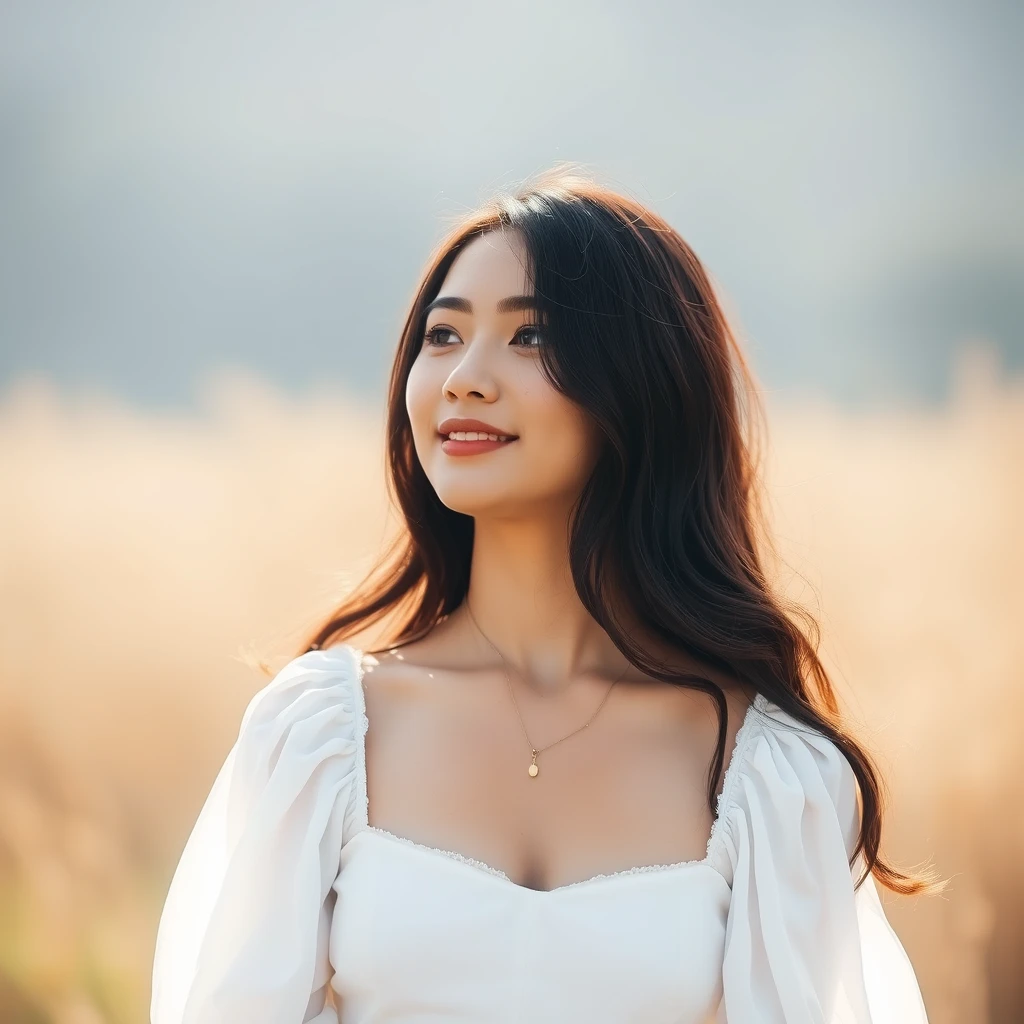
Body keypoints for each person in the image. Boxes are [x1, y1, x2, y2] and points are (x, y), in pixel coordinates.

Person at [150, 167, 943, 1023]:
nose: (464, 378)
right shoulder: (322, 736)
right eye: (443, 336)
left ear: (644, 385)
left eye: (530, 339)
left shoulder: (767, 775)